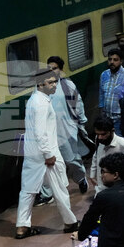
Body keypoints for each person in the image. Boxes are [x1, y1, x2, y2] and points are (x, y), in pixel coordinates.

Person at [15, 69, 79, 239]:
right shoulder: (42, 103)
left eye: (55, 81)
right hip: (46, 153)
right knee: (59, 187)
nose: (54, 85)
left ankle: (22, 227)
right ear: (40, 84)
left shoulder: (33, 100)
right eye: (50, 82)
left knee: (27, 190)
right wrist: (48, 154)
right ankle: (70, 222)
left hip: (31, 153)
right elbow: (40, 132)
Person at [45, 56, 90, 194]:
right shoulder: (41, 86)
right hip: (48, 131)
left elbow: (78, 103)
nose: (51, 71)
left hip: (66, 129)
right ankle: (47, 193)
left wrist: (81, 122)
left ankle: (81, 179)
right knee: (47, 162)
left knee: (72, 159)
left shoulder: (67, 85)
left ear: (60, 70)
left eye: (54, 68)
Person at [88, 116, 124, 195]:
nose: (100, 137)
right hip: (101, 188)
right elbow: (96, 156)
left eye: (103, 134)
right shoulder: (99, 139)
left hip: (118, 191)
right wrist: (92, 175)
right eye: (97, 134)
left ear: (112, 131)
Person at [99, 48, 124, 136]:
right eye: (110, 59)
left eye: (115, 60)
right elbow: (101, 95)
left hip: (119, 118)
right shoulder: (104, 74)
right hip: (107, 117)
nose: (112, 62)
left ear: (121, 61)